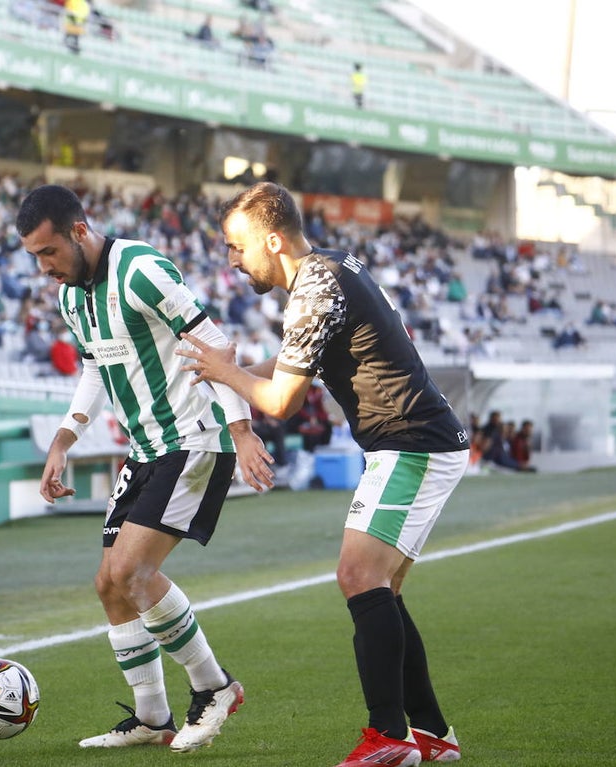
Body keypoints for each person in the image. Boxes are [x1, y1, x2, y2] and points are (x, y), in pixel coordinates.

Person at [178, 182, 469, 767]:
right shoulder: (328, 269)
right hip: (414, 440)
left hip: (411, 442)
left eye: (237, 247)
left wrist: (226, 373)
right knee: (380, 588)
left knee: (357, 575)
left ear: (273, 239)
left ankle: (390, 738)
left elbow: (282, 401)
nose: (231, 260)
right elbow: (288, 368)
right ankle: (432, 734)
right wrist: (224, 371)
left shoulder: (315, 287)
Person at [16, 184, 274, 753]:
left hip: (197, 437)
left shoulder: (140, 269)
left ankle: (215, 686)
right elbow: (94, 369)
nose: (44, 268)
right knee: (109, 584)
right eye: (34, 256)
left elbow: (214, 343)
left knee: (133, 573)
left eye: (48, 252)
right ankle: (152, 716)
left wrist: (242, 430)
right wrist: (64, 437)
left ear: (79, 231)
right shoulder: (70, 297)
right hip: (146, 448)